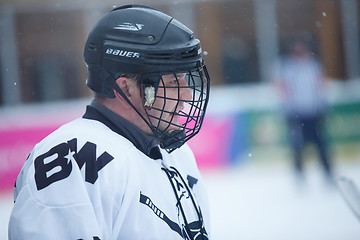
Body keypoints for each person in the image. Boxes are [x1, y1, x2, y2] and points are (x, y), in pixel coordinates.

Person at [8, 5, 211, 240]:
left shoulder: (177, 154)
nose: (187, 96)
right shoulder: (76, 160)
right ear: (126, 88)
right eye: (175, 82)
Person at [273, 39, 332, 183]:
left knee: (321, 144)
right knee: (297, 145)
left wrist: (323, 103)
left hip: (314, 111)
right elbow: (281, 86)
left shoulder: (313, 65)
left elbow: (321, 84)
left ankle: (327, 172)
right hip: (296, 112)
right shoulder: (287, 67)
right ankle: (299, 173)